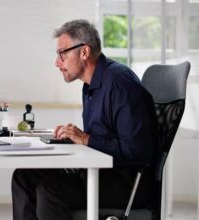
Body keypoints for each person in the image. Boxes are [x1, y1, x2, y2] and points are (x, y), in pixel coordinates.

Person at [11, 19, 158, 220]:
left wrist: (86, 139)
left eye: (62, 54)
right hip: (101, 171)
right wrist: (75, 137)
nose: (57, 62)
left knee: (50, 190)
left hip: (128, 182)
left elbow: (137, 150)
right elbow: (103, 136)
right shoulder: (90, 87)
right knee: (24, 177)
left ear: (84, 52)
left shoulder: (120, 84)